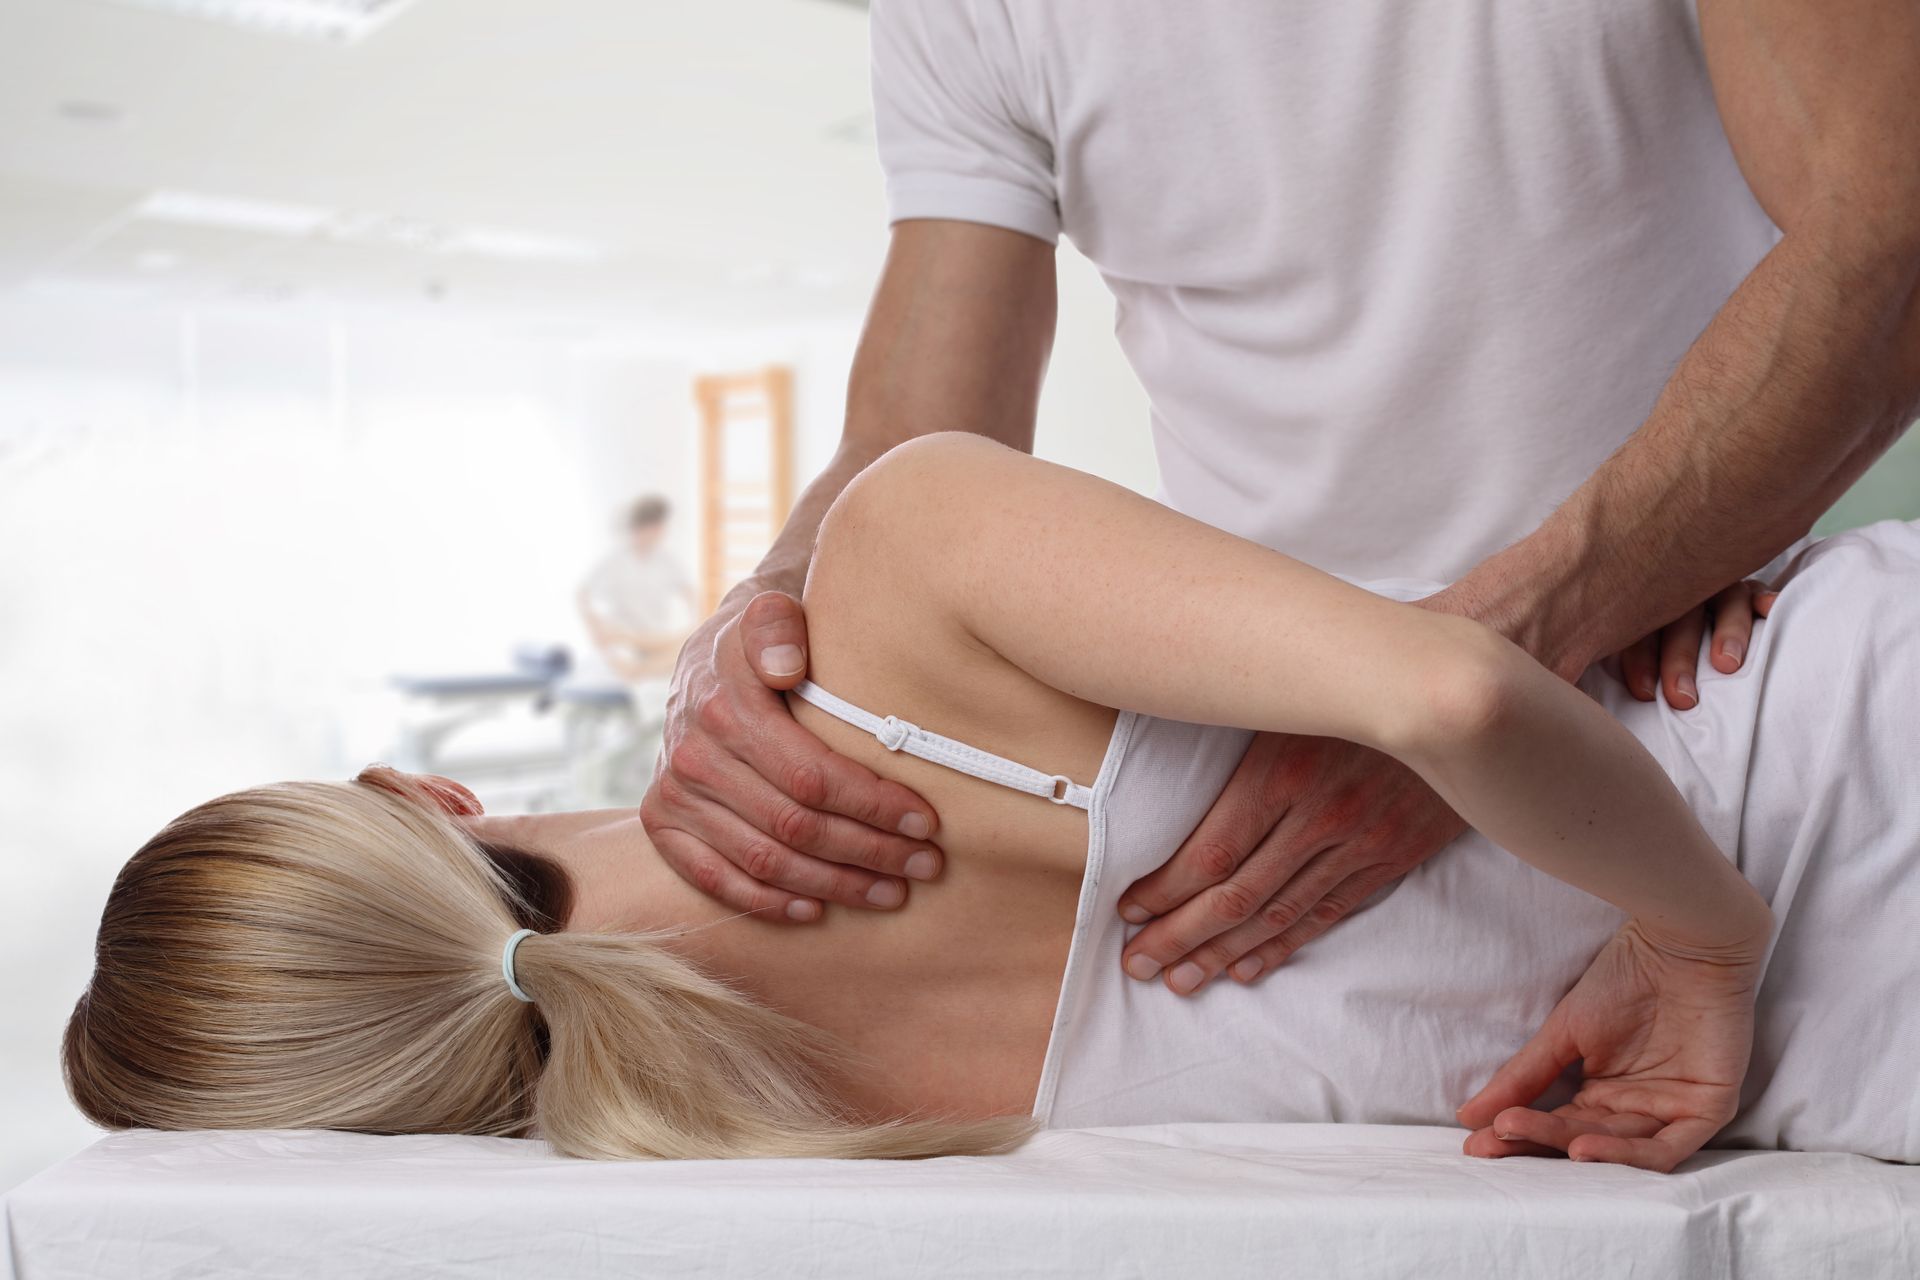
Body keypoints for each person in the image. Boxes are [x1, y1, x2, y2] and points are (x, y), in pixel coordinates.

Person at [63, 438, 1920, 1170]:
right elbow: (1447, 689)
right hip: (1827, 743)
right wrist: (1697, 936)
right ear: (415, 787)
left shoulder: (758, 1151)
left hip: (1851, 1072)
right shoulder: (895, 578)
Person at [641, 0, 1920, 995]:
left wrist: (1479, 679)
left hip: (1698, 685)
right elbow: (913, 441)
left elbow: (1889, 230)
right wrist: (753, 621)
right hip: (1290, 804)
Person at [577, 495, 695, 687]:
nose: (660, 532)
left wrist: (693, 620)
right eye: (655, 527)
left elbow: (689, 592)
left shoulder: (666, 561)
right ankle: (641, 670)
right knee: (624, 662)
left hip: (656, 639)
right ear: (642, 527)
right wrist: (594, 626)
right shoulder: (615, 560)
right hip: (623, 639)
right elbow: (582, 593)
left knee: (689, 649)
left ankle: (644, 670)